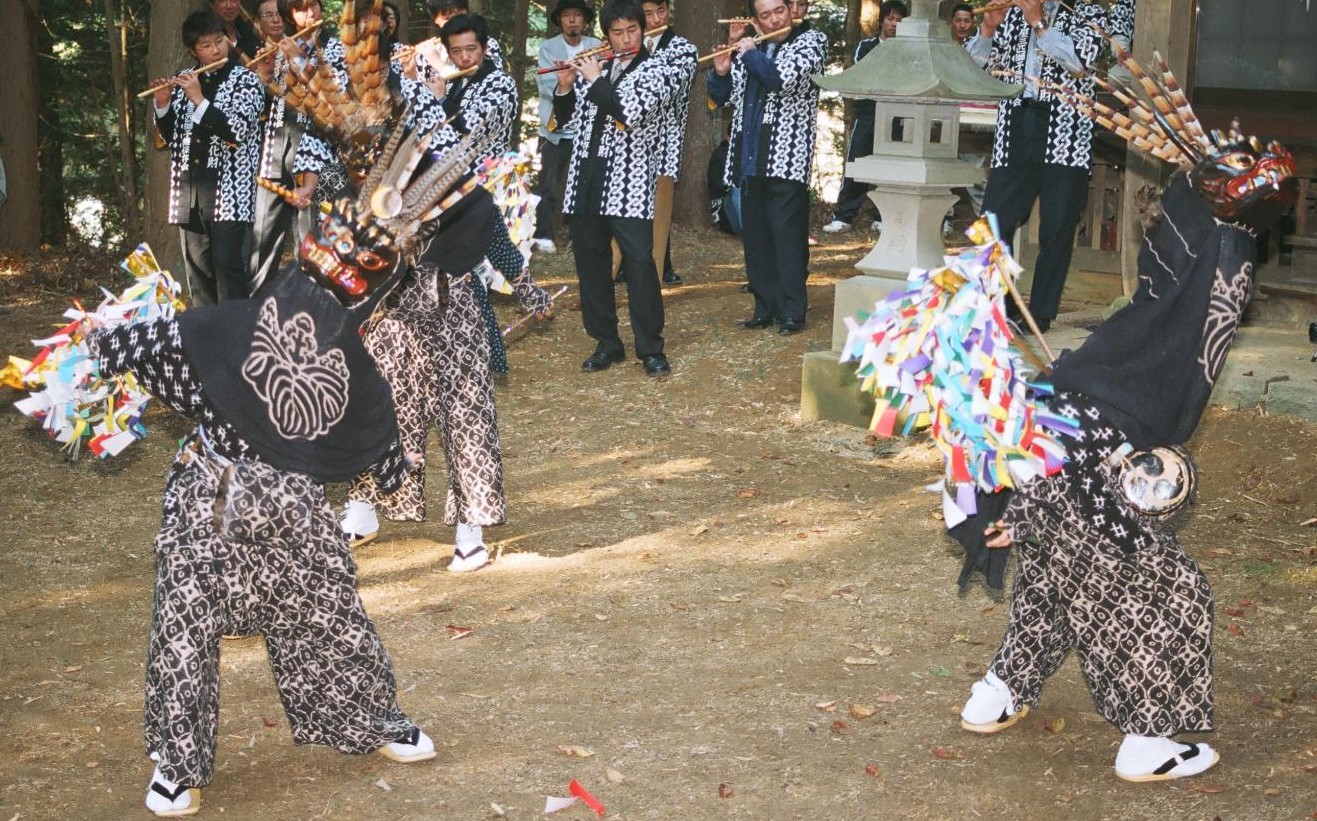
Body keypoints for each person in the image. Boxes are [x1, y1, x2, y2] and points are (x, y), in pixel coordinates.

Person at [88, 183, 444, 818]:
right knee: (184, 625)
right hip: (208, 503)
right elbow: (147, 348)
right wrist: (94, 352)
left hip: (293, 509)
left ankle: (369, 718)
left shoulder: (355, 371)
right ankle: (176, 763)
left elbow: (373, 433)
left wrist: (392, 460)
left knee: (331, 609)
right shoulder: (224, 329)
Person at [552, 0, 686, 376]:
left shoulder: (658, 69)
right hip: (587, 177)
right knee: (591, 264)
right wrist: (565, 89)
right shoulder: (598, 65)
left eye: (632, 31)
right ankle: (606, 342)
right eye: (617, 32)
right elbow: (566, 122)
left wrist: (594, 80)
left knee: (640, 263)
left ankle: (651, 348)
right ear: (606, 35)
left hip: (628, 180)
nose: (626, 38)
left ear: (642, 31)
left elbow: (627, 110)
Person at [966, 0, 1107, 333]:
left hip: (1067, 132)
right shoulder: (1012, 15)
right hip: (1015, 124)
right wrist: (987, 30)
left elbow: (1080, 64)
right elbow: (976, 71)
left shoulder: (1088, 12)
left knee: (1056, 228)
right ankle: (1003, 305)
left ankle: (1041, 312)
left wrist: (1039, 24)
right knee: (992, 221)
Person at [708, 0, 827, 335]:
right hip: (750, 157)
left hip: (786, 159)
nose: (774, 19)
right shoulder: (753, 48)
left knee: (787, 238)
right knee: (757, 238)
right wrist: (720, 69)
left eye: (779, 11)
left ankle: (792, 311)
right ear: (756, 19)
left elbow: (779, 79)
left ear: (791, 9)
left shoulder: (810, 41)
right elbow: (724, 97)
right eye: (765, 15)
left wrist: (747, 52)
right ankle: (765, 307)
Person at [151, 10, 264, 306]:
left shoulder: (246, 81)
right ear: (193, 51)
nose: (215, 50)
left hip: (230, 192)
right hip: (190, 191)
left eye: (219, 41)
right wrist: (163, 105)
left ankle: (238, 337)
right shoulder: (183, 83)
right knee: (198, 274)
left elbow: (235, 132)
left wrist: (199, 99)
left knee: (229, 268)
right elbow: (168, 140)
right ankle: (207, 340)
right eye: (206, 45)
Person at [821, 0, 906, 235]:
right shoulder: (865, 46)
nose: (894, 24)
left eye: (899, 20)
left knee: (892, 165)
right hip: (868, 113)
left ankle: (883, 216)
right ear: (882, 20)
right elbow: (864, 72)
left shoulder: (908, 52)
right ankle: (844, 216)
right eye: (890, 18)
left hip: (898, 115)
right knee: (857, 163)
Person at [532, 0, 601, 255]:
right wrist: (572, 81)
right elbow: (547, 82)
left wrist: (582, 80)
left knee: (585, 182)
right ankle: (544, 234)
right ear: (560, 20)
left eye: (577, 15)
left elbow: (603, 79)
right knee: (548, 183)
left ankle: (578, 233)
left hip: (587, 128)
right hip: (554, 128)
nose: (572, 20)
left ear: (584, 20)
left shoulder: (596, 45)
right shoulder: (549, 48)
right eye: (567, 16)